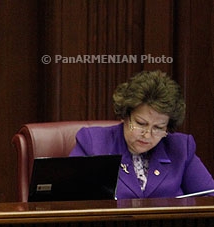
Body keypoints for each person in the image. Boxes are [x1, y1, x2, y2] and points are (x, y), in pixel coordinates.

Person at [70, 70, 214, 200]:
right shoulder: (93, 143)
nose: (147, 135)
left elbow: (209, 198)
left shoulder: (181, 149)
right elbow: (69, 197)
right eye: (141, 123)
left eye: (158, 128)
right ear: (125, 115)